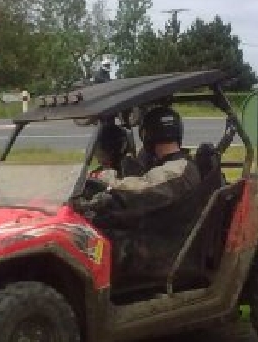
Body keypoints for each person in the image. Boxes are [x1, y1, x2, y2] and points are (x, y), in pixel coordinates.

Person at [74, 106, 201, 278]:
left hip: (164, 249)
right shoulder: (170, 165)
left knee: (87, 241)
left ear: (147, 134)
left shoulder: (177, 170)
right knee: (98, 224)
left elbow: (139, 190)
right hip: (158, 231)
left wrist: (105, 179)